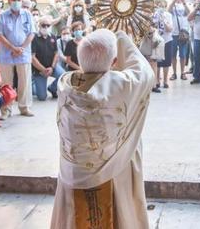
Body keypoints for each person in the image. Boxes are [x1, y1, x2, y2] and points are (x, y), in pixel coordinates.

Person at [51, 29, 154, 229]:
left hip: (74, 174)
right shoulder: (121, 86)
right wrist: (122, 38)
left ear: (80, 62)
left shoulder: (65, 85)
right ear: (114, 62)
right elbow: (144, 72)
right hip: (113, 174)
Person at [0, 0, 35, 117]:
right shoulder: (3, 16)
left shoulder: (27, 14)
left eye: (18, 0)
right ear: (9, 1)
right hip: (7, 54)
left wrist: (21, 48)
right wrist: (12, 48)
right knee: (7, 83)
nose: (16, 2)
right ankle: (6, 110)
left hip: (23, 53)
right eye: (14, 0)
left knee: (25, 82)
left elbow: (32, 33)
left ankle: (24, 107)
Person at [32, 16, 65, 100]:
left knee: (63, 76)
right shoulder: (34, 38)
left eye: (48, 25)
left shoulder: (53, 37)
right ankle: (33, 86)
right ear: (39, 26)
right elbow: (32, 58)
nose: (46, 27)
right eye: (43, 25)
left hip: (52, 67)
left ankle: (52, 88)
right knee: (42, 97)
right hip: (39, 70)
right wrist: (43, 70)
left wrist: (52, 67)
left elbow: (56, 53)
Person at [168, 0, 191, 80]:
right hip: (173, 33)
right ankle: (174, 73)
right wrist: (175, 0)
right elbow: (168, 10)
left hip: (183, 33)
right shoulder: (173, 5)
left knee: (183, 54)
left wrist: (184, 2)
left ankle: (182, 73)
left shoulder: (184, 5)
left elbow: (189, 12)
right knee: (173, 55)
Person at [153, 0, 174, 89]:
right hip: (156, 40)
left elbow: (170, 29)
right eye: (159, 6)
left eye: (163, 6)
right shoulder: (153, 15)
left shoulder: (168, 15)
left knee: (166, 62)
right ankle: (157, 80)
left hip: (167, 40)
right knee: (157, 61)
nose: (161, 8)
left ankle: (165, 81)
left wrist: (164, 20)